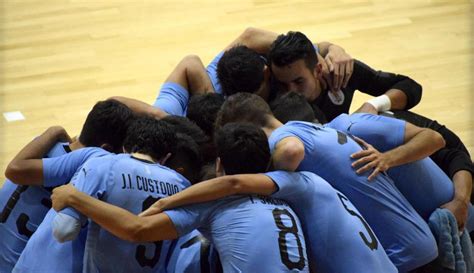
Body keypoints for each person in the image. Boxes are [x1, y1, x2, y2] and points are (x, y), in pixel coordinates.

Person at [214, 93, 439, 272]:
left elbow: (292, 151)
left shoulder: (280, 139)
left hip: (403, 257)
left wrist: (272, 178)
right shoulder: (316, 129)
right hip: (420, 243)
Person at [51, 123, 311, 273]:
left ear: (219, 165)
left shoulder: (212, 203)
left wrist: (75, 197)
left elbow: (136, 229)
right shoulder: (291, 192)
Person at [0, 99, 133, 272]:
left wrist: (54, 131)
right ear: (106, 149)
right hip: (16, 264)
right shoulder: (86, 173)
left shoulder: (40, 146)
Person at [268, 31, 422, 121]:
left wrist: (374, 105)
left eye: (298, 81)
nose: (291, 90)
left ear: (318, 70)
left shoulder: (341, 73)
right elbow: (249, 35)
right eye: (283, 84)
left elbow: (410, 87)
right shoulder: (271, 99)